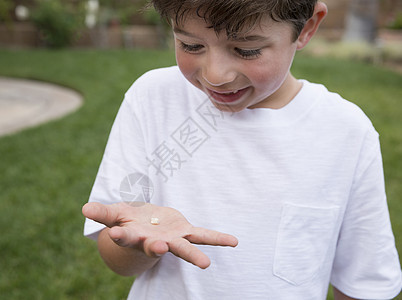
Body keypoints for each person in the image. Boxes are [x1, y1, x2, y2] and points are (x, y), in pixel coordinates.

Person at [82, 0, 402, 299]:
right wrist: (137, 245)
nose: (215, 75)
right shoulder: (152, 100)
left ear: (306, 27)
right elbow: (116, 258)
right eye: (191, 45)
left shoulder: (346, 132)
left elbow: (365, 283)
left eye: (246, 50)